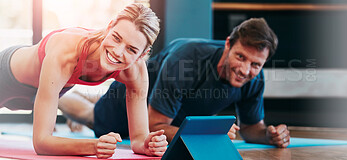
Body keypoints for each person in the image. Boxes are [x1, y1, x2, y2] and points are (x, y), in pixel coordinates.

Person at [63, 18, 291, 148]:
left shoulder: (254, 77)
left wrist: (268, 136)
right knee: (91, 117)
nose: (245, 70)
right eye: (240, 57)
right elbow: (153, 125)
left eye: (255, 64)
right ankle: (61, 95)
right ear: (228, 44)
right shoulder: (186, 59)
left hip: (174, 118)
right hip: (130, 100)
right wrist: (208, 132)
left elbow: (252, 129)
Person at [0, 3, 167, 158]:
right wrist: (94, 146)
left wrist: (147, 145)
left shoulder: (136, 71)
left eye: (131, 49)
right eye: (116, 38)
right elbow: (41, 142)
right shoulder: (67, 51)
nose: (118, 51)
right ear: (109, 27)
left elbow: (138, 138)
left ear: (142, 54)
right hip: (6, 77)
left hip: (42, 93)